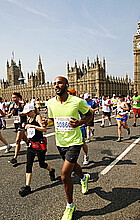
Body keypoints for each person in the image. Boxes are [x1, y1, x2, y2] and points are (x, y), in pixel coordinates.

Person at [46, 76, 93, 220]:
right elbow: (51, 120)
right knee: (72, 167)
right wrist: (44, 123)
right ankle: (84, 177)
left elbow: (90, 114)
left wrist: (80, 123)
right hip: (60, 142)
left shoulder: (77, 101)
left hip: (75, 141)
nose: (56, 86)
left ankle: (70, 205)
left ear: (67, 85)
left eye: (59, 83)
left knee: (65, 174)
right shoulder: (50, 103)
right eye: (55, 84)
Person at [19, 103, 56, 197]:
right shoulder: (29, 118)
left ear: (32, 111)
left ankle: (51, 170)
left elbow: (44, 129)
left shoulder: (37, 117)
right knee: (28, 164)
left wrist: (33, 126)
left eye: (28, 113)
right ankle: (27, 186)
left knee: (42, 164)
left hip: (39, 145)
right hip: (31, 145)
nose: (26, 114)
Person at [68, 89, 91, 166]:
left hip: (79, 126)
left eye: (69, 93)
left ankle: (86, 156)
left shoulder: (79, 102)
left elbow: (89, 112)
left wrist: (81, 122)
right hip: (69, 128)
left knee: (82, 143)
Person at [7, 92, 27, 165]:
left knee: (17, 141)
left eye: (15, 97)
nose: (13, 99)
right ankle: (34, 147)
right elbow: (8, 115)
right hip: (16, 124)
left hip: (22, 124)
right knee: (25, 139)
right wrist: (11, 113)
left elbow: (29, 113)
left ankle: (15, 158)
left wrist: (22, 114)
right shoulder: (11, 106)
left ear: (18, 98)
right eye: (12, 98)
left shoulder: (22, 105)